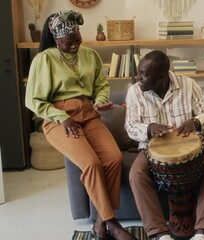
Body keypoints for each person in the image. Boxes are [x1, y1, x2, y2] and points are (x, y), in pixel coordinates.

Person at [25, 10, 136, 240]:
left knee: (114, 159)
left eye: (77, 40)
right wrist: (61, 117)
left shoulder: (91, 55)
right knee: (92, 163)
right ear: (56, 40)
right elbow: (33, 100)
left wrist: (101, 100)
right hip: (59, 119)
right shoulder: (44, 59)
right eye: (68, 43)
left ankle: (99, 221)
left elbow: (101, 85)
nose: (75, 46)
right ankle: (113, 223)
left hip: (89, 114)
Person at [125, 50, 204, 240]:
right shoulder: (134, 92)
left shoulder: (188, 85)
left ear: (161, 76)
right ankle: (160, 233)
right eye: (138, 72)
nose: (138, 78)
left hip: (190, 148)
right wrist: (149, 128)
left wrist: (195, 123)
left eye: (143, 74)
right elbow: (130, 126)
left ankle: (202, 231)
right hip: (151, 149)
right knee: (136, 174)